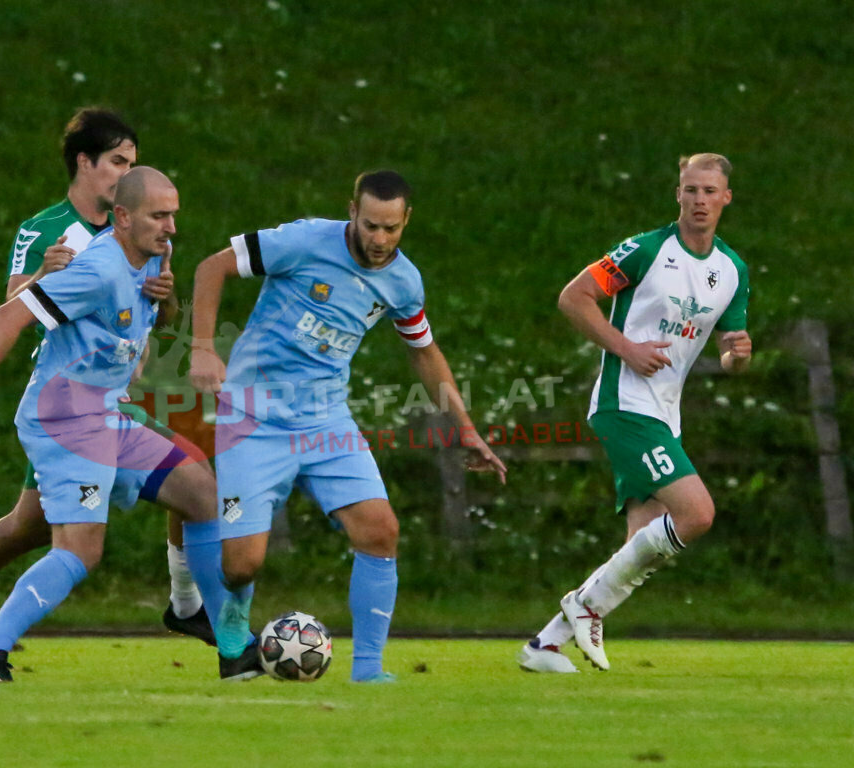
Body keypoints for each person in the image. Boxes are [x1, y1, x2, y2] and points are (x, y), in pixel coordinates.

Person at [0, 110, 212, 683]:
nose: (127, 173)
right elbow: (16, 308)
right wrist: (41, 275)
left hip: (110, 404)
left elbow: (154, 320)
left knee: (29, 526)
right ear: (85, 163)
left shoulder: (145, 229)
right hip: (66, 405)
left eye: (132, 163)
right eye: (117, 161)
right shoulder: (49, 230)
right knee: (67, 541)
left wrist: (166, 298)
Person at [190, 170, 507, 682]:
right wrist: (203, 349)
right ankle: (231, 629)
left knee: (381, 531)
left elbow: (424, 352)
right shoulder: (302, 241)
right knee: (241, 565)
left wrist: (464, 428)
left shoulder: (404, 281)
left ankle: (368, 672)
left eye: (391, 228)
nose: (379, 239)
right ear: (352, 211)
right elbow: (212, 267)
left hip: (327, 423)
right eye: (370, 225)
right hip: (253, 418)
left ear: (406, 221)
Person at [517, 153, 752, 673]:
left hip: (665, 414)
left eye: (709, 191)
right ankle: (585, 607)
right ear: (678, 194)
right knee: (696, 514)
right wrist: (627, 348)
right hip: (624, 403)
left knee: (644, 545)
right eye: (690, 190)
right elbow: (574, 297)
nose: (699, 200)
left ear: (726, 198)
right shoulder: (645, 250)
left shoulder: (731, 270)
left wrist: (738, 355)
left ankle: (544, 645)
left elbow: (730, 356)